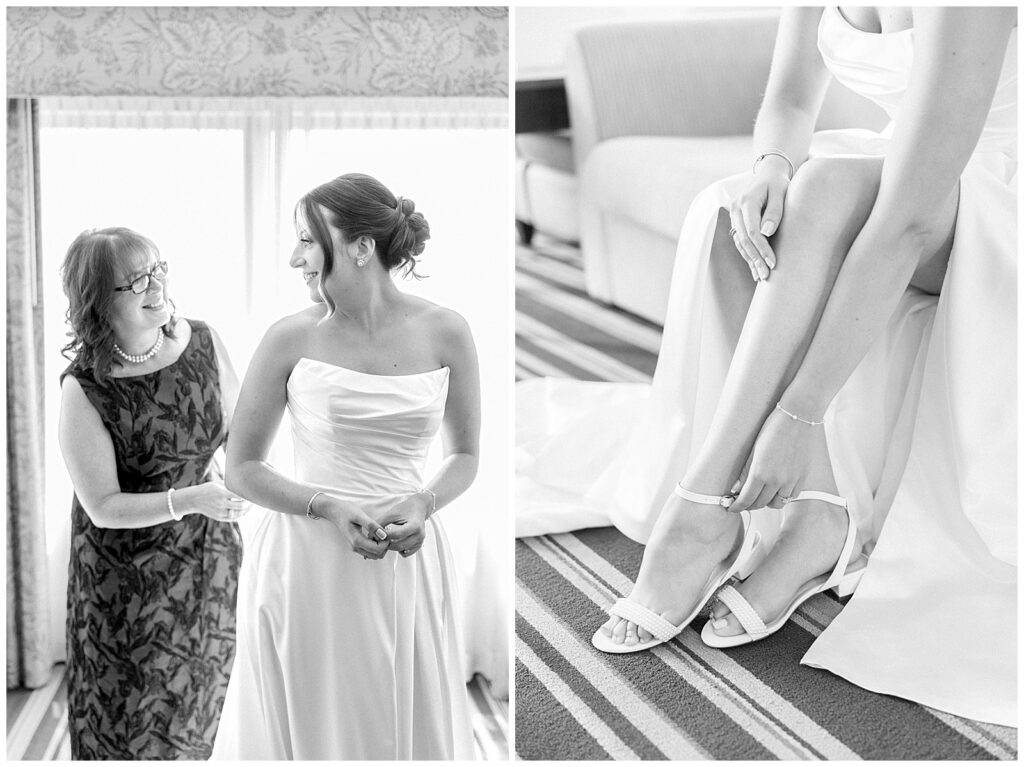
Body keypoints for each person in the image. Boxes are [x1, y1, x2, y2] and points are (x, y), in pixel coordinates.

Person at [518, 7, 1016, 726]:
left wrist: (799, 412)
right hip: (913, 165)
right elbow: (788, 100)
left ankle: (700, 508)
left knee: (826, 189)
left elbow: (907, 220)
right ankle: (818, 511)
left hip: (998, 183)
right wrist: (771, 168)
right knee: (738, 212)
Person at [211, 173, 480, 759]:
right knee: (315, 722)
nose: (294, 258)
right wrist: (327, 505)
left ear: (361, 246)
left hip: (406, 554)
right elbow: (241, 467)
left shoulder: (447, 331)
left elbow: (464, 456)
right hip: (306, 560)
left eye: (307, 240)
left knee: (402, 719)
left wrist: (425, 501)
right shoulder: (288, 338)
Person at [57, 227, 247, 759]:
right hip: (126, 581)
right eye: (137, 280)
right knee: (130, 717)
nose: (157, 285)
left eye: (158, 269)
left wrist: (250, 481)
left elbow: (237, 435)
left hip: (208, 559)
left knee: (203, 698)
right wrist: (192, 499)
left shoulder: (204, 341)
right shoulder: (84, 389)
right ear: (100, 301)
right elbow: (103, 507)